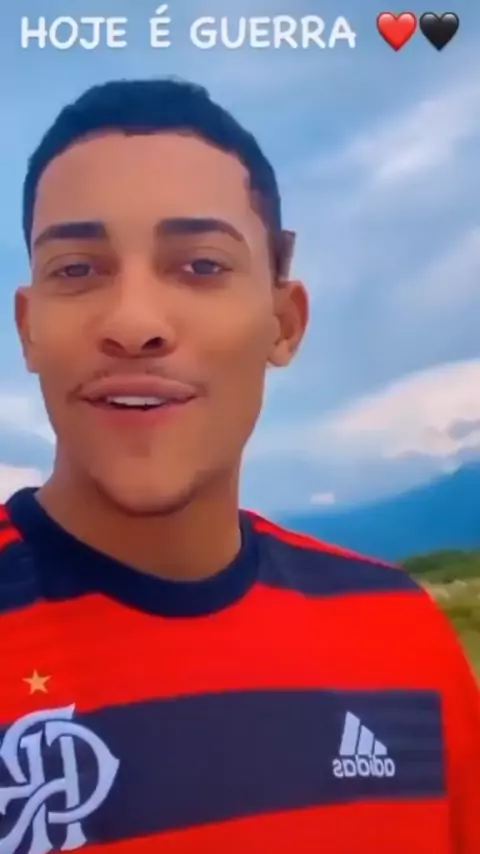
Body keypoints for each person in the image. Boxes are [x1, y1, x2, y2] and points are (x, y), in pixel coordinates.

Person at [0, 78, 478, 854]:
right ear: (28, 329)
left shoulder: (403, 642)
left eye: (200, 265)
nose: (134, 324)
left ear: (283, 323)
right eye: (78, 270)